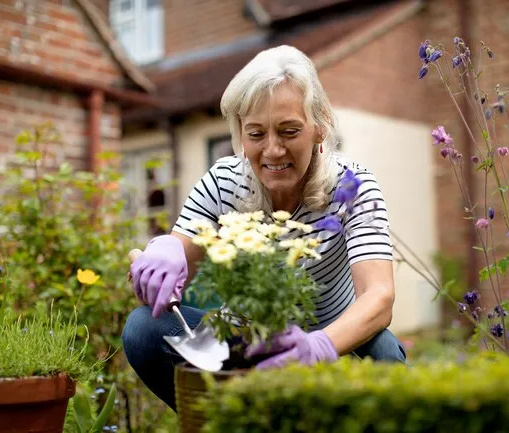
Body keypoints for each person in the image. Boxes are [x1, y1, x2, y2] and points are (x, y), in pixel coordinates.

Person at [122, 45, 406, 411]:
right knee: (145, 329)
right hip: (245, 344)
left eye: (289, 131)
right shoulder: (223, 182)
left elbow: (379, 297)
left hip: (335, 344)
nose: (272, 151)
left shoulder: (353, 186)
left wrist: (318, 347)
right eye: (256, 134)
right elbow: (179, 269)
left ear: (319, 127)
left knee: (384, 352)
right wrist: (165, 254)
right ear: (240, 133)